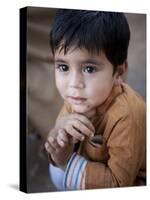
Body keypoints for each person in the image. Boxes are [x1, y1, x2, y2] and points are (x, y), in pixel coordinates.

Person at [44, 9, 146, 190]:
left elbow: (120, 183)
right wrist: (59, 134)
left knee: (62, 171)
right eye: (63, 67)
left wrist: (67, 161)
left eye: (89, 69)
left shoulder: (127, 115)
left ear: (119, 73)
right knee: (56, 171)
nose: (74, 84)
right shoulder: (79, 97)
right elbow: (57, 147)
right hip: (88, 164)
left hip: (134, 182)